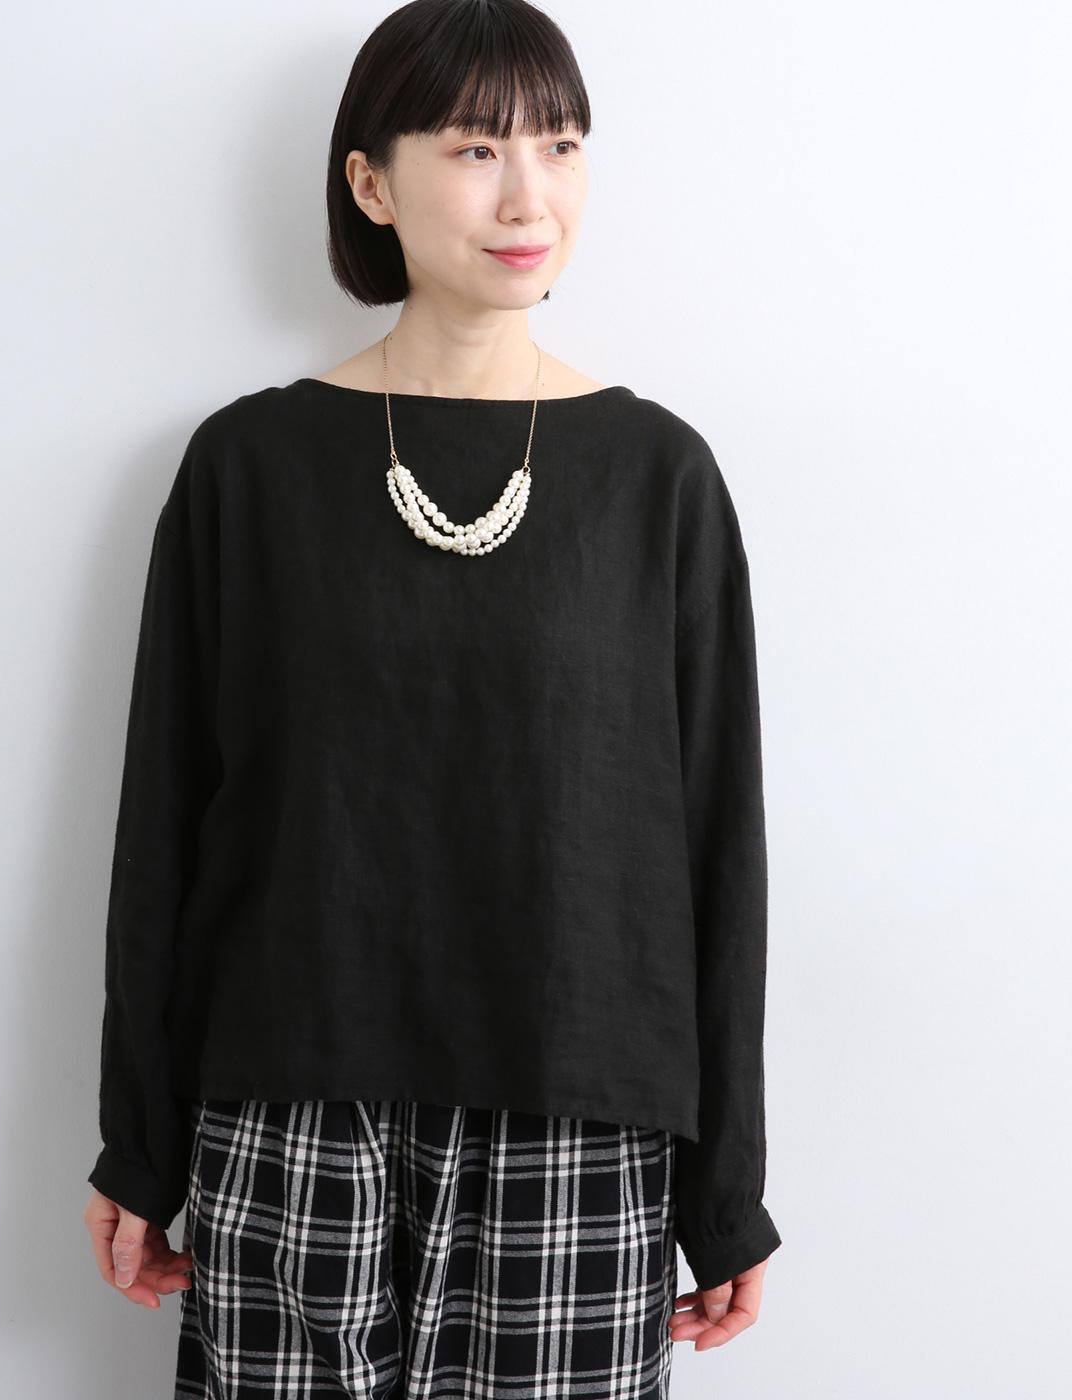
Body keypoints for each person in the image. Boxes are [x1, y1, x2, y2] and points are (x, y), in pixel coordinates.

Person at [82, 1, 783, 1395]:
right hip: (292, 1119)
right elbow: (163, 822)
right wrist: (139, 1143)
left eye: (561, 145)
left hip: (578, 1122)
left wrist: (727, 1191)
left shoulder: (659, 480)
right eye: (474, 148)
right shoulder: (247, 468)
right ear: (370, 181)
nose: (530, 197)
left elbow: (718, 849)